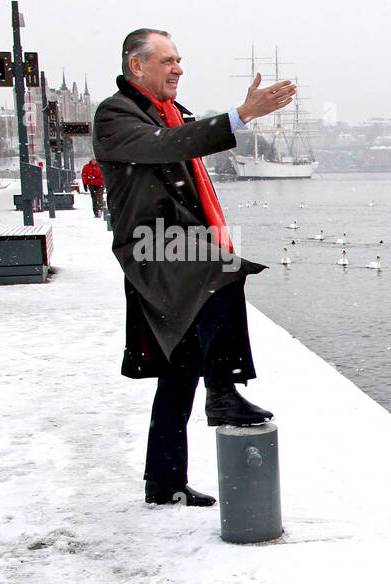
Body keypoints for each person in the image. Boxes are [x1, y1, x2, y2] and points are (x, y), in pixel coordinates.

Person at [93, 28, 295, 506]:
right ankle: (223, 392)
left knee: (179, 365)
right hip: (152, 245)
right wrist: (240, 115)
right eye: (167, 61)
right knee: (223, 271)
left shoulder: (171, 112)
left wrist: (234, 120)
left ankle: (164, 482)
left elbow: (182, 137)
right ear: (136, 66)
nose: (178, 68)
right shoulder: (114, 114)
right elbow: (168, 145)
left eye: (179, 60)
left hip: (179, 243)